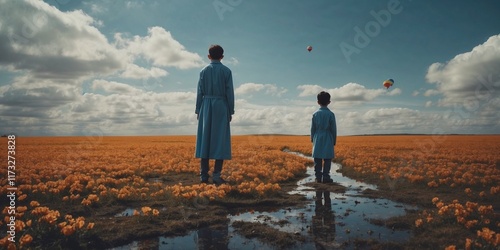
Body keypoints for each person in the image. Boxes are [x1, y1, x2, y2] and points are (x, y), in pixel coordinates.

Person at [195, 44, 235, 185]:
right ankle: (217, 175)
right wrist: (230, 110)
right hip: (221, 106)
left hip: (206, 105)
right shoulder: (226, 71)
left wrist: (198, 109)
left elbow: (199, 92)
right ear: (222, 56)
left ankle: (203, 176)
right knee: (220, 141)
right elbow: (229, 92)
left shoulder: (203, 71)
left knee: (204, 140)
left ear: (208, 56)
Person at [311, 91, 337, 183]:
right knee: (327, 158)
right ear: (329, 102)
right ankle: (326, 176)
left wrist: (312, 139)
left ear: (318, 102)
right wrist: (334, 140)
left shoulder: (315, 114)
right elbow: (333, 129)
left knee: (317, 157)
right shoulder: (331, 114)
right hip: (328, 136)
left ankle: (318, 177)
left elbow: (312, 128)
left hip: (317, 136)